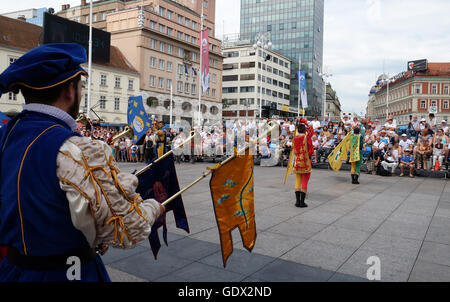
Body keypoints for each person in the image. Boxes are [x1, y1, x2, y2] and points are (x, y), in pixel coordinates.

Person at [0, 43, 165, 281]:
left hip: (13, 271)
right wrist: (153, 207)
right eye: (81, 86)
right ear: (70, 90)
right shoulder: (76, 149)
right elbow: (129, 230)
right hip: (68, 274)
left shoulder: (6, 136)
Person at [292, 120, 313, 208]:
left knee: (298, 181)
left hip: (297, 162)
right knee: (304, 181)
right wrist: (304, 121)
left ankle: (297, 201)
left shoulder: (295, 138)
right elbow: (311, 128)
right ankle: (302, 202)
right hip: (305, 162)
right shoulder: (306, 137)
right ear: (304, 130)